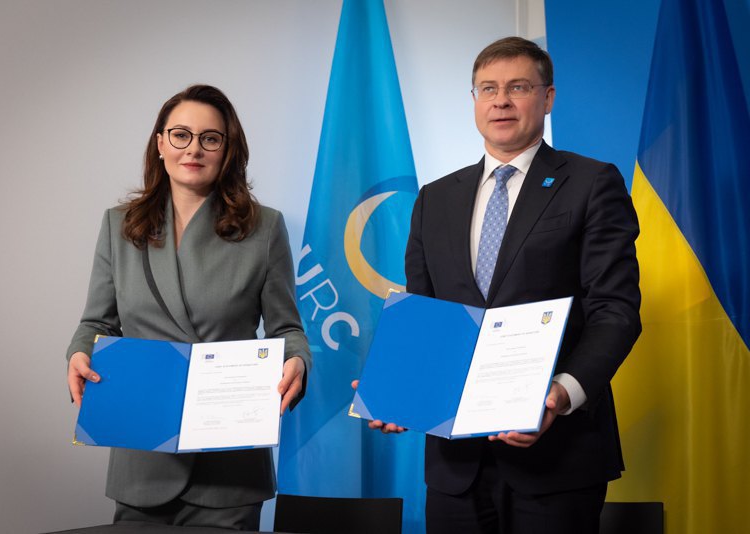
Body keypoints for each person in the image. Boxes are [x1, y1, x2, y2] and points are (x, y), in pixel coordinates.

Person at [367, 37, 641, 533]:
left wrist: (559, 394)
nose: (501, 100)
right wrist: (403, 390)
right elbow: (427, 315)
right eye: (488, 88)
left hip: (557, 456)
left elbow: (615, 311)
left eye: (518, 87)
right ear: (474, 99)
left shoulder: (592, 182)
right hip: (455, 467)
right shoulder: (434, 199)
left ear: (548, 97)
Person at [66, 84, 311, 530]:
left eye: (210, 138)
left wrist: (296, 359)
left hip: (229, 466)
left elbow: (286, 329)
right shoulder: (118, 225)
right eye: (181, 135)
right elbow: (96, 322)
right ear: (160, 143)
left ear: (227, 150)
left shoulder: (265, 228)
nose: (193, 148)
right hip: (143, 452)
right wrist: (80, 351)